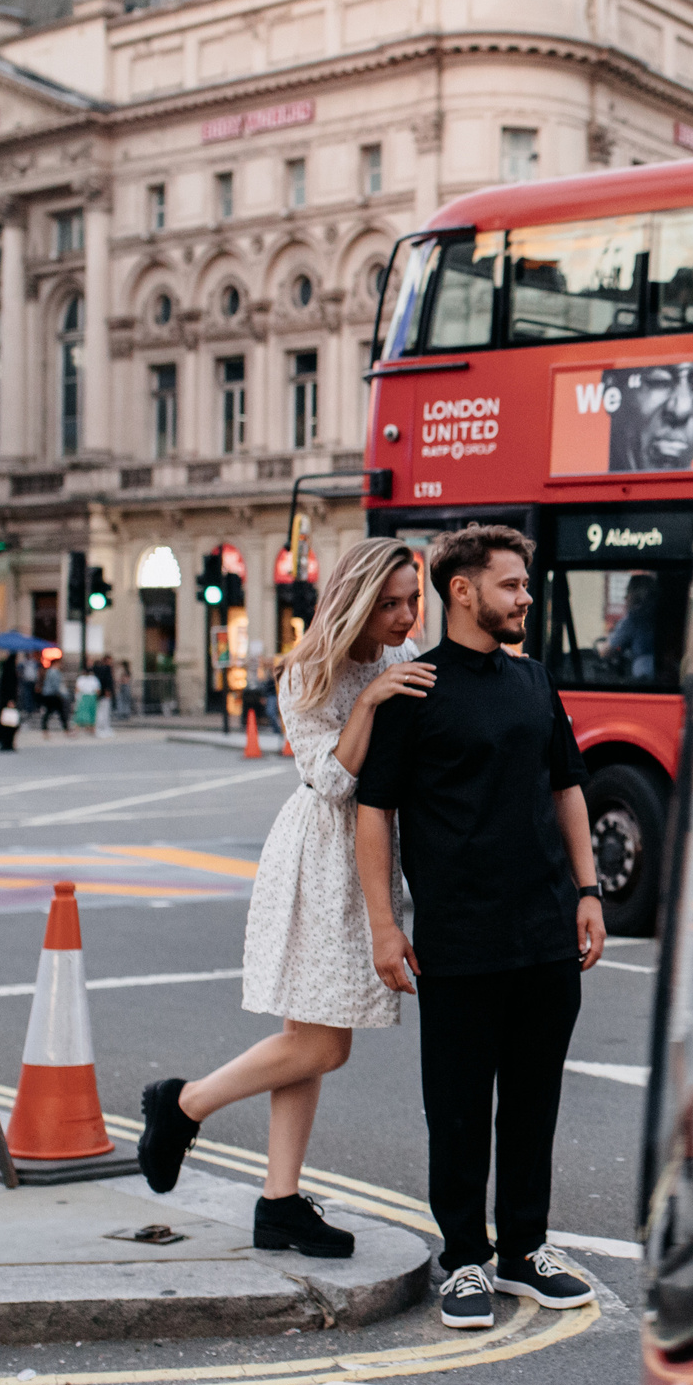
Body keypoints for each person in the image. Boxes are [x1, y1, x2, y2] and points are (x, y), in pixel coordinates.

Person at [135, 539, 437, 1258]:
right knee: (323, 1043)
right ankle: (183, 1103)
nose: (402, 616)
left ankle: (278, 1202)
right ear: (356, 600)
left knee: (312, 1038)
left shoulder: (407, 655)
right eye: (388, 603)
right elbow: (331, 782)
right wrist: (367, 702)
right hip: (320, 858)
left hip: (374, 855)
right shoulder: (307, 669)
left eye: (410, 599)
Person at [354, 523, 605, 1327]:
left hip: (544, 930)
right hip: (458, 937)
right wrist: (384, 926)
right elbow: (373, 813)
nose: (525, 597)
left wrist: (590, 890)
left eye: (525, 585)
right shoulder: (415, 688)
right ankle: (464, 1257)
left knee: (534, 1099)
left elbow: (567, 786)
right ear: (461, 590)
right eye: (512, 585)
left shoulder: (535, 679)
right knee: (459, 1106)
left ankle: (525, 1248)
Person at [596, 573, 659, 680]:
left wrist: (600, 647)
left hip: (644, 677)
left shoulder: (634, 618)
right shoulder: (660, 615)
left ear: (636, 595)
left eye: (628, 592)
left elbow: (608, 651)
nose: (625, 597)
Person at [0, 653, 22, 753]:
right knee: (9, 723)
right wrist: (11, 700)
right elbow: (10, 687)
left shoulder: (6, 668)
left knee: (6, 721)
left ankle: (5, 742)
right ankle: (7, 743)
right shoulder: (11, 671)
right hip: (8, 700)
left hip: (4, 700)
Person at [38, 658, 69, 733]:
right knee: (58, 711)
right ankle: (65, 728)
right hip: (53, 695)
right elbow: (56, 685)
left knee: (52, 711)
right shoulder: (54, 672)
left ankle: (45, 728)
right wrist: (63, 694)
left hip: (50, 694)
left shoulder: (50, 671)